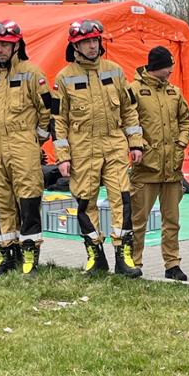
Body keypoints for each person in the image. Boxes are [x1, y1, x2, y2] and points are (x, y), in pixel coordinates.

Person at [52, 19, 146, 276]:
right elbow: (58, 121)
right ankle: (95, 255)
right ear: (75, 46)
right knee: (85, 201)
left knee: (122, 198)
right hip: (82, 148)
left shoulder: (115, 71)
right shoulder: (64, 78)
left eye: (95, 41)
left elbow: (129, 110)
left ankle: (124, 257)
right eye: (86, 42)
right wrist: (62, 156)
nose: (92, 46)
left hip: (114, 143)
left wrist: (135, 143)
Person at [0, 20, 53, 274]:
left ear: (16, 45)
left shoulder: (32, 74)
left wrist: (36, 138)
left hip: (22, 144)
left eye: (5, 45)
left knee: (28, 198)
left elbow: (47, 110)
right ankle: (5, 253)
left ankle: (29, 252)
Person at [128, 46, 189, 280]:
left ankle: (172, 264)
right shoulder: (134, 91)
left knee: (172, 221)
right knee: (138, 221)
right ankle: (133, 263)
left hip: (172, 169)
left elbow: (187, 121)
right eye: (168, 67)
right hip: (146, 169)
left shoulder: (174, 92)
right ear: (157, 66)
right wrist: (140, 146)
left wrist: (181, 144)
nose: (171, 71)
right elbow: (128, 122)